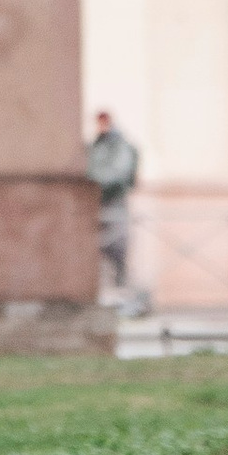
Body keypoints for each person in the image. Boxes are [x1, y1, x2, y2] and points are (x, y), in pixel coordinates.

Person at [86, 107, 142, 308]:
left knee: (118, 252)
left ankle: (124, 298)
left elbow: (117, 174)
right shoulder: (95, 145)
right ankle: (105, 297)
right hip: (96, 206)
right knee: (97, 253)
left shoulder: (119, 146)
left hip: (114, 204)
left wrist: (92, 181)